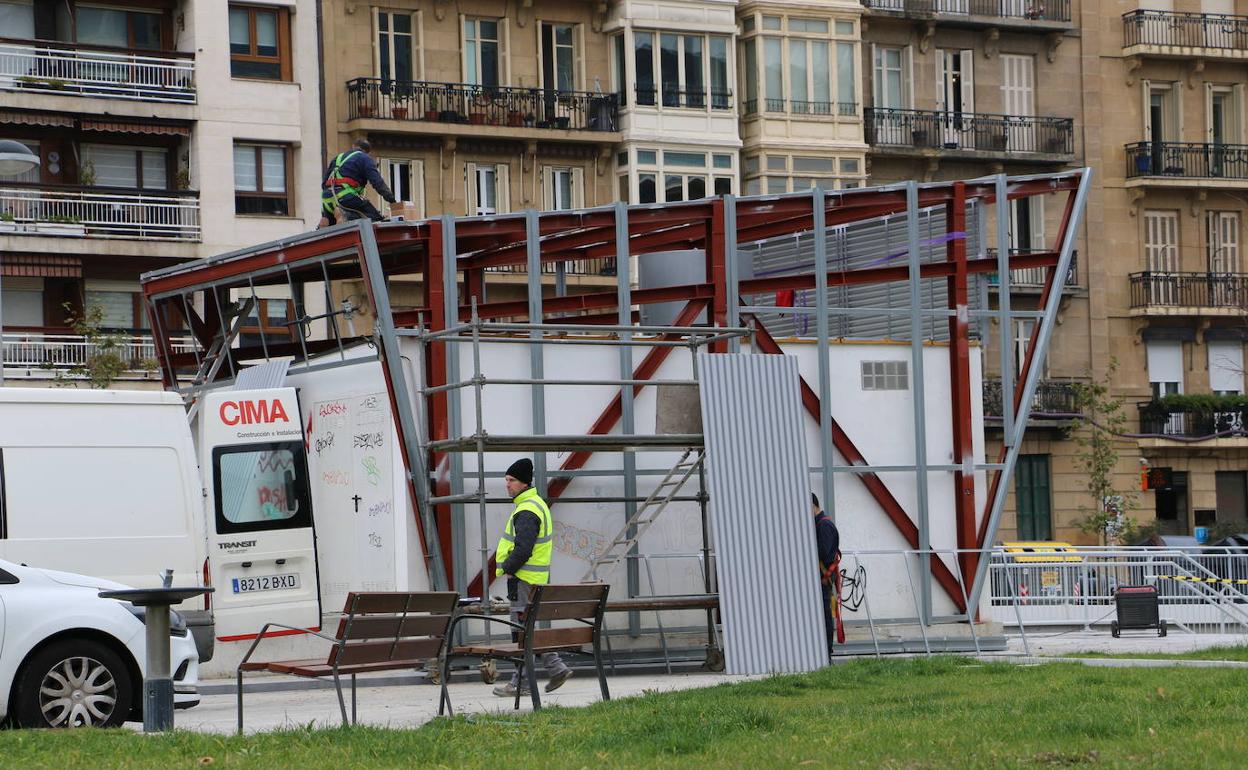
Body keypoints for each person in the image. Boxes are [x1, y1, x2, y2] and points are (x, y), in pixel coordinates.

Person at [492, 457, 573, 697]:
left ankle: (522, 683)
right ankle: (556, 668)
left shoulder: (527, 510)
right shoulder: (536, 504)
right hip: (534, 579)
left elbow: (523, 548)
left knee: (521, 631)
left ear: (524, 483)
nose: (507, 485)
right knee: (527, 629)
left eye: (512, 480)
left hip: (523, 580)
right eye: (506, 480)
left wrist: (508, 567)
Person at [318, 138, 396, 228]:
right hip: (345, 196)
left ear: (353, 147)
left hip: (327, 200)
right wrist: (392, 200)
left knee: (331, 229)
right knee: (374, 218)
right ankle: (345, 215)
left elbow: (324, 183)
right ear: (367, 152)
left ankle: (326, 219)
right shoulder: (365, 158)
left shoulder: (337, 158)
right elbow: (377, 182)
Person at [813, 493, 841, 655]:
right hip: (821, 579)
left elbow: (822, 553)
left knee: (824, 616)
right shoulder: (820, 525)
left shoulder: (823, 526)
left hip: (823, 580)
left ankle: (826, 653)